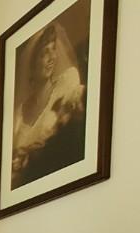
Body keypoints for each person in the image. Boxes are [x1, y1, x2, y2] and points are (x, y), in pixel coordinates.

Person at [11, 19, 87, 188]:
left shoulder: (67, 83)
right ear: (31, 64)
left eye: (53, 49)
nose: (52, 57)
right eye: (44, 53)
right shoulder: (18, 114)